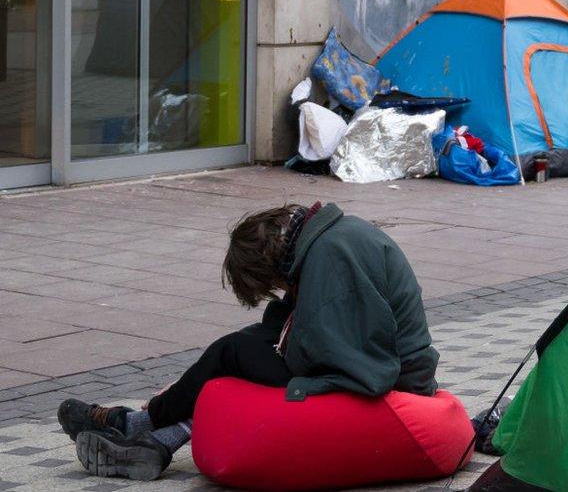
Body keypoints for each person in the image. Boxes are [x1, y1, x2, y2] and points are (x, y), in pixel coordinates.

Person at [58, 202, 439, 481]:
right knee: (241, 347)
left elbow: (352, 357)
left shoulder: (331, 255)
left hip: (398, 378)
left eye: (273, 284)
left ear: (271, 264)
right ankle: (155, 441)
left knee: (233, 353)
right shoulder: (324, 241)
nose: (281, 289)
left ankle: (139, 424)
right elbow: (289, 324)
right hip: (387, 362)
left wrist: (251, 358)